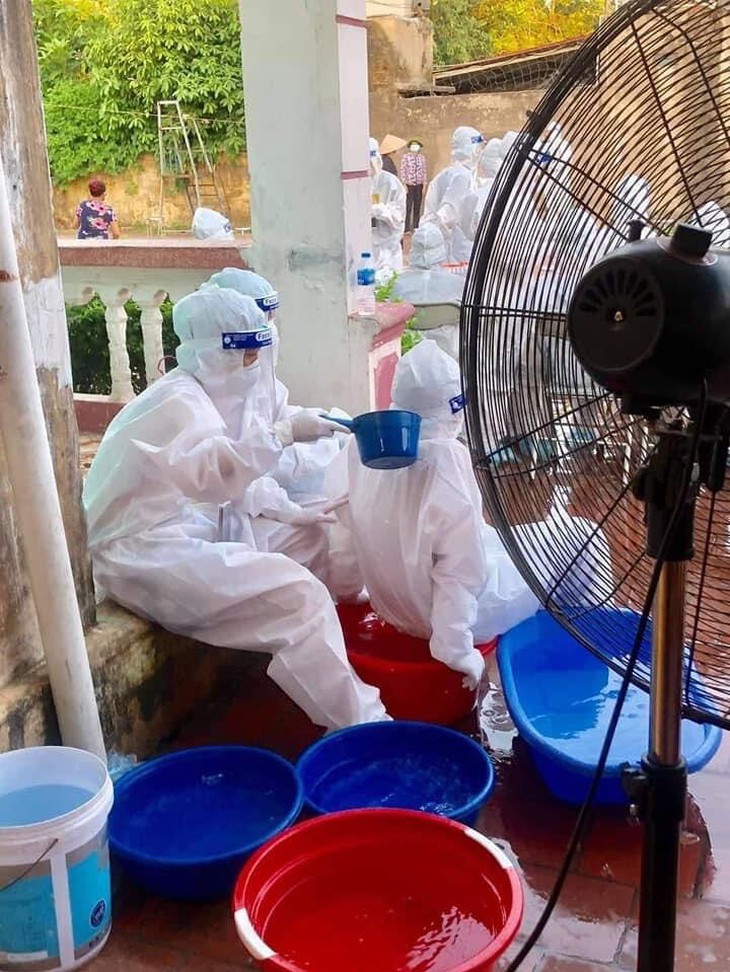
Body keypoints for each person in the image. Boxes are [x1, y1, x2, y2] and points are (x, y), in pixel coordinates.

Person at [83, 285, 389, 730]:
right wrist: (284, 434)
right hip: (139, 554)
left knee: (313, 540)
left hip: (178, 526)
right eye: (246, 355)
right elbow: (217, 475)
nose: (254, 365)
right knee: (298, 598)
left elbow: (231, 485)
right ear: (213, 353)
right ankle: (364, 727)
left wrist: (290, 511)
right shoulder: (179, 402)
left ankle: (331, 677)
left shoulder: (200, 394)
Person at [326, 340, 540, 690]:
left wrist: (349, 595)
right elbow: (459, 572)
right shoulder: (446, 460)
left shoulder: (360, 448)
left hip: (389, 609)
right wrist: (456, 650)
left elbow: (343, 540)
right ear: (455, 407)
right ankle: (564, 653)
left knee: (493, 539)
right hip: (447, 623)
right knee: (577, 543)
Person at [204, 267, 349, 570]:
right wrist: (290, 509)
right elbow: (236, 475)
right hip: (222, 519)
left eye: (271, 319)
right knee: (324, 529)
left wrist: (323, 429)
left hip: (258, 493)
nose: (270, 330)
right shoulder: (213, 391)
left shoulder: (255, 376)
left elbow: (275, 416)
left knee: (338, 478)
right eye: (262, 320)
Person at [391, 224, 463, 360]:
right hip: (449, 359)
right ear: (442, 249)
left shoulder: (395, 284)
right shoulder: (459, 285)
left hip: (406, 358)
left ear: (413, 250)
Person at [421, 126, 484, 264]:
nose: (481, 153)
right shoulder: (463, 177)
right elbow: (448, 214)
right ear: (472, 150)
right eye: (479, 148)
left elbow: (430, 215)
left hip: (445, 251)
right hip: (460, 254)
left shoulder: (442, 176)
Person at [369, 137, 407, 273]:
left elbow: (399, 217)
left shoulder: (391, 183)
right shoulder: (355, 185)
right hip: (363, 253)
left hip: (389, 252)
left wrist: (380, 211)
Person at [400, 138, 428, 233]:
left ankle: (416, 226)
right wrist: (404, 184)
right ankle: (406, 228)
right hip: (409, 185)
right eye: (413, 145)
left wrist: (424, 185)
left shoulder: (422, 158)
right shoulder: (405, 157)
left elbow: (424, 171)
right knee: (408, 206)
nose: (415, 147)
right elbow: (403, 171)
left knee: (417, 206)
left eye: (416, 145)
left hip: (419, 185)